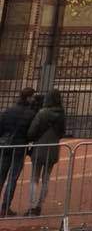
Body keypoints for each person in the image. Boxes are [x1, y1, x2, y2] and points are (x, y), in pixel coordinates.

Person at [26, 89, 65, 216]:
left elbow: (32, 131)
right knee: (46, 179)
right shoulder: (61, 114)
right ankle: (39, 205)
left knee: (34, 177)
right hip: (53, 149)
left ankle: (32, 206)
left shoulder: (42, 113)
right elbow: (62, 132)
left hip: (39, 148)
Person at [0, 87, 36, 217]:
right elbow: (32, 133)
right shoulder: (31, 114)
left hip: (5, 147)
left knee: (1, 176)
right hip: (19, 148)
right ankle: (5, 207)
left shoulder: (8, 111)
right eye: (32, 97)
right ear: (28, 98)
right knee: (12, 179)